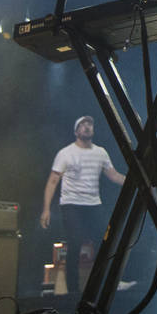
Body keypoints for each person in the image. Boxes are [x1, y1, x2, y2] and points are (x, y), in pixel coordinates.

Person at [40, 115, 126, 295]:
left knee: (106, 241)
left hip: (93, 204)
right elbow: (53, 181)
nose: (87, 127)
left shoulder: (100, 152)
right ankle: (73, 291)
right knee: (76, 242)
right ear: (76, 131)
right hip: (71, 205)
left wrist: (136, 181)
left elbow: (114, 175)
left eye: (90, 124)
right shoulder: (66, 153)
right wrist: (46, 209)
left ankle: (110, 283)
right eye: (83, 124)